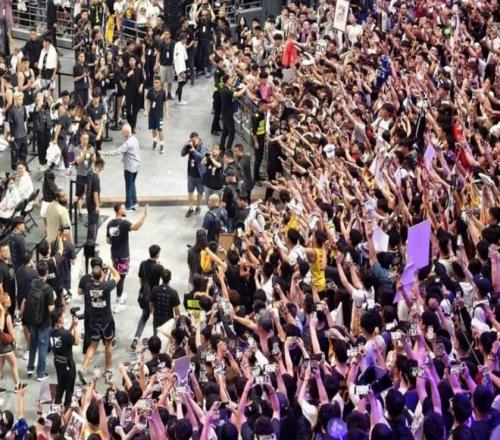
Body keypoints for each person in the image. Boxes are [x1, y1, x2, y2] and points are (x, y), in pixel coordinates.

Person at [79, 259, 120, 383]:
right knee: (108, 344)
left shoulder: (88, 286)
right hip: (106, 321)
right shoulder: (106, 286)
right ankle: (107, 370)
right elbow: (117, 276)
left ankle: (83, 368)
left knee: (93, 345)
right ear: (102, 273)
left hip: (94, 321)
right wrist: (110, 266)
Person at [106, 203, 148, 313]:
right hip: (123, 256)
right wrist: (144, 216)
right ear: (119, 210)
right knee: (120, 278)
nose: (125, 210)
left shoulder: (110, 224)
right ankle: (118, 301)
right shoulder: (124, 223)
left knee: (118, 275)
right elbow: (136, 227)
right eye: (123, 208)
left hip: (114, 255)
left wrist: (115, 239)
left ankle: (120, 295)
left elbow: (108, 240)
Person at [22, 260, 55, 381]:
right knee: (42, 347)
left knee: (33, 344)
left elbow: (25, 300)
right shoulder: (48, 289)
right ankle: (40, 373)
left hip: (32, 320)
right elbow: (51, 309)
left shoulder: (31, 284)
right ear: (47, 272)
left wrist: (22, 314)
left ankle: (30, 367)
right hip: (43, 323)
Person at [131, 244, 163, 349]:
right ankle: (155, 340)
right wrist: (162, 265)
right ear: (157, 254)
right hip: (155, 296)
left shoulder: (143, 264)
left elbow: (140, 279)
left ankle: (136, 338)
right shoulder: (159, 267)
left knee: (144, 317)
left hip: (145, 295)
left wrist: (143, 289)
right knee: (156, 319)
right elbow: (165, 277)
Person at [104, 124, 141, 211]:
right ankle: (134, 202)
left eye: (123, 132)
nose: (122, 134)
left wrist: (106, 153)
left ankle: (128, 205)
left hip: (129, 167)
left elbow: (118, 151)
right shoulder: (134, 139)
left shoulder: (128, 143)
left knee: (128, 186)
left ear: (127, 132)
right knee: (132, 184)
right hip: (136, 166)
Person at [49, 309, 81, 408]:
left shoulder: (50, 331)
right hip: (68, 364)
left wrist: (71, 327)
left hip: (58, 362)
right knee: (69, 387)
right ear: (59, 319)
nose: (64, 318)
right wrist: (75, 327)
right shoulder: (65, 334)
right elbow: (76, 341)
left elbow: (64, 336)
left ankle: (57, 405)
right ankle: (67, 407)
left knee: (61, 384)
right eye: (63, 316)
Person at [181, 131, 207, 217]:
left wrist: (193, 150)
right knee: (190, 192)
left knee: (200, 192)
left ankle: (198, 207)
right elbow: (182, 154)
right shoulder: (190, 144)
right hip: (191, 174)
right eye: (192, 140)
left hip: (199, 175)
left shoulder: (202, 147)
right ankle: (191, 208)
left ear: (198, 138)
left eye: (194, 140)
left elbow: (201, 157)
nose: (193, 142)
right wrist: (185, 146)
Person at [219, 74, 247, 151]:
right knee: (232, 134)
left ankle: (221, 148)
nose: (232, 80)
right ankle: (228, 150)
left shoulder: (224, 88)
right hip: (228, 115)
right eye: (230, 79)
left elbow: (232, 87)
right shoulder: (227, 91)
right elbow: (238, 94)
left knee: (225, 132)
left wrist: (234, 76)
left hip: (224, 113)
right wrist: (246, 87)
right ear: (227, 81)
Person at [149, 268, 180, 334]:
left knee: (156, 336)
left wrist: (152, 310)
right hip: (168, 320)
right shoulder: (173, 292)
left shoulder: (155, 289)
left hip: (157, 318)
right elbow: (176, 309)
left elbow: (151, 302)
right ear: (170, 278)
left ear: (161, 278)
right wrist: (178, 319)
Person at [0, 293, 21, 390]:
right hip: (5, 343)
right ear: (5, 303)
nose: (10, 302)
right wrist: (15, 342)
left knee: (0, 364)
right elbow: (11, 332)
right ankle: (18, 386)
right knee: (13, 364)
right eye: (9, 301)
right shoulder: (7, 315)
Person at [73, 131, 96, 219]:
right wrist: (85, 153)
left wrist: (92, 154)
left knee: (88, 193)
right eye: (84, 139)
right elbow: (78, 161)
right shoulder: (76, 149)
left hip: (89, 173)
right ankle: (79, 212)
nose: (85, 141)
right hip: (80, 174)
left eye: (87, 139)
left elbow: (94, 160)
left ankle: (89, 211)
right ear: (80, 139)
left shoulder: (91, 148)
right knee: (79, 194)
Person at [144, 76, 169, 154]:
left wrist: (167, 112)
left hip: (159, 114)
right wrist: (146, 110)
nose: (155, 84)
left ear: (160, 83)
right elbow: (147, 101)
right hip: (152, 114)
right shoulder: (150, 90)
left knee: (160, 129)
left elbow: (165, 102)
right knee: (153, 128)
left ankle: (162, 145)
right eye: (154, 82)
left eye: (157, 82)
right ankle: (155, 140)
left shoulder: (163, 92)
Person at [123, 56, 144, 132]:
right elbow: (123, 79)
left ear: (135, 61)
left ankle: (133, 127)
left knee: (135, 111)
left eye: (133, 60)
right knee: (128, 112)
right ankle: (131, 123)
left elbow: (143, 80)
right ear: (129, 62)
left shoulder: (139, 70)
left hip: (137, 93)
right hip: (129, 93)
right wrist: (128, 75)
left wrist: (141, 85)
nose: (132, 62)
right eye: (130, 60)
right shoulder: (126, 70)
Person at [7, 93, 29, 164]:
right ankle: (15, 167)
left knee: (24, 153)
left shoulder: (24, 109)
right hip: (16, 137)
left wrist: (26, 134)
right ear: (15, 100)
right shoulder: (12, 111)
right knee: (15, 154)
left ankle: (23, 166)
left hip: (23, 135)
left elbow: (24, 121)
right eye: (19, 99)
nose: (21, 101)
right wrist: (12, 136)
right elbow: (11, 124)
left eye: (22, 99)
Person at [251, 100, 267, 185]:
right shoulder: (257, 116)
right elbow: (254, 131)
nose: (266, 107)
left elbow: (262, 126)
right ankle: (255, 178)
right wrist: (256, 142)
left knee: (260, 158)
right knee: (257, 159)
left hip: (262, 138)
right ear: (260, 106)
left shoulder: (262, 114)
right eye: (264, 106)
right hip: (257, 140)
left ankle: (258, 175)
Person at [156, 30, 175, 100]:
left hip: (170, 64)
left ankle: (169, 94)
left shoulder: (173, 43)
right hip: (162, 65)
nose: (166, 35)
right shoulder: (161, 43)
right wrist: (156, 63)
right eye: (164, 34)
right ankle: (162, 94)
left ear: (170, 35)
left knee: (170, 81)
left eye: (167, 34)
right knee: (162, 81)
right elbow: (158, 53)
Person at [173, 32, 189, 105]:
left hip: (182, 67)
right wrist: (181, 72)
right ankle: (179, 100)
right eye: (186, 39)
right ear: (183, 39)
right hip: (180, 68)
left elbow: (185, 57)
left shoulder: (181, 45)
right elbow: (179, 59)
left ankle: (176, 96)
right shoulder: (178, 46)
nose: (186, 40)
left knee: (183, 82)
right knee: (181, 83)